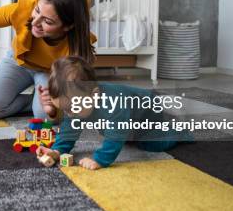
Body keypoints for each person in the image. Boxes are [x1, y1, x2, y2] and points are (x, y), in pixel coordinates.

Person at [36, 56, 191, 170]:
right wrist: (57, 150)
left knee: (149, 143)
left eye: (71, 108)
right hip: (130, 117)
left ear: (94, 95)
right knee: (123, 135)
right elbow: (69, 130)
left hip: (149, 110)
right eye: (64, 109)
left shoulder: (113, 104)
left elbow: (116, 134)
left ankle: (177, 128)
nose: (69, 114)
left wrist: (100, 159)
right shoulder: (77, 106)